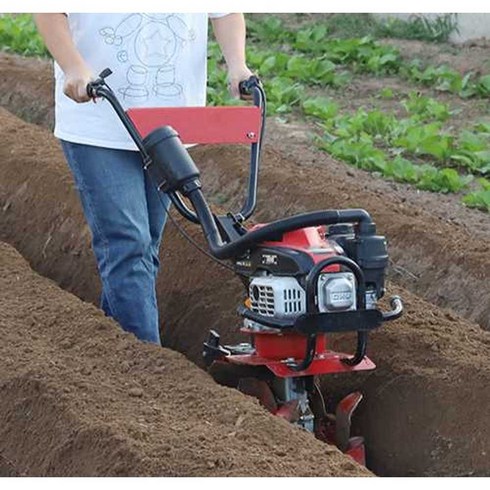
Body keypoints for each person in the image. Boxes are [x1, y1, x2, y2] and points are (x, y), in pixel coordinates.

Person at [34, 13, 253, 345]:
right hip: (100, 122)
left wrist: (238, 65)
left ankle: (118, 356)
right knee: (128, 243)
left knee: (144, 246)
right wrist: (74, 66)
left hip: (170, 121)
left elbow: (225, 12)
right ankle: (148, 367)